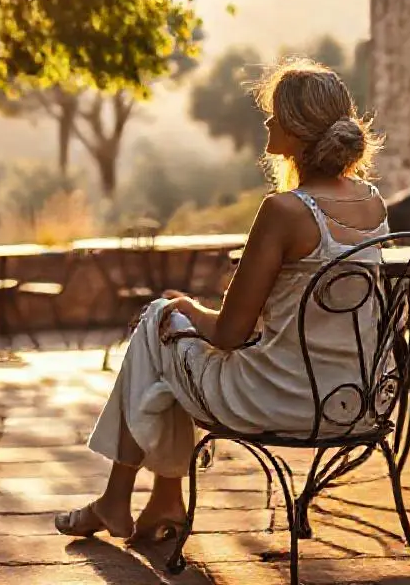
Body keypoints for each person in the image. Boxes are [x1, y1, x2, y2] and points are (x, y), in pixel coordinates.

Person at [55, 57, 389, 542]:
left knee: (159, 319)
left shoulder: (284, 211)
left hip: (281, 400)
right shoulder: (373, 201)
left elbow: (230, 335)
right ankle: (157, 502)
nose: (268, 122)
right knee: (167, 348)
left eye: (275, 114)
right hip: (354, 399)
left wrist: (189, 308)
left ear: (295, 131)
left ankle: (127, 499)